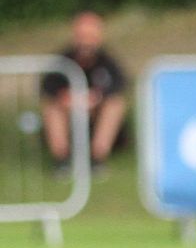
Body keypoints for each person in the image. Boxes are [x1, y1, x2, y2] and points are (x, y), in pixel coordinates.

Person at [40, 10, 129, 172]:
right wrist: (66, 98)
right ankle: (62, 160)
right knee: (51, 108)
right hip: (69, 112)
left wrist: (96, 98)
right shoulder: (62, 61)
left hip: (95, 113)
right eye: (82, 37)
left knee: (115, 105)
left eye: (91, 37)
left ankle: (97, 158)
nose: (86, 43)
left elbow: (120, 84)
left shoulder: (107, 61)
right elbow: (47, 87)